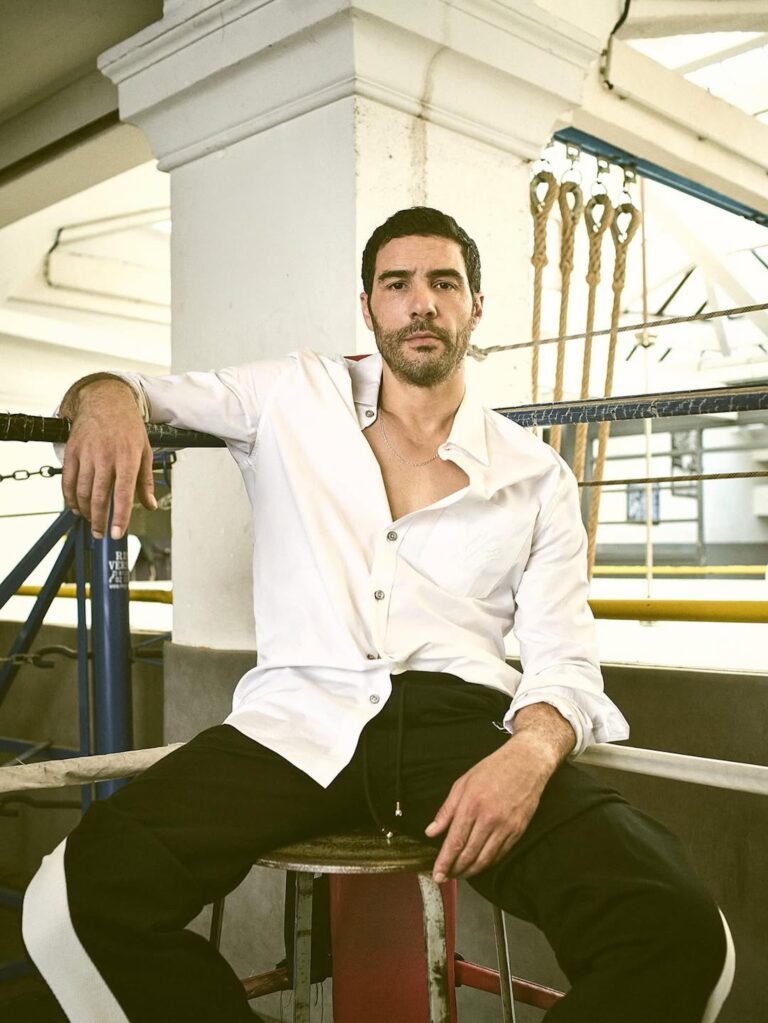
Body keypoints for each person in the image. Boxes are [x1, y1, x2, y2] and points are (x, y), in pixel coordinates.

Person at [23, 207, 732, 1022]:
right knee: (70, 902)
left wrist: (532, 751)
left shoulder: (536, 475)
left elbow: (564, 657)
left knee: (680, 932)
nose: (420, 302)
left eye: (444, 283)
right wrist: (105, 400)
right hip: (293, 724)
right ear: (369, 307)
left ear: (474, 306)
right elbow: (132, 390)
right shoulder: (291, 394)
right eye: (397, 284)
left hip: (460, 731)